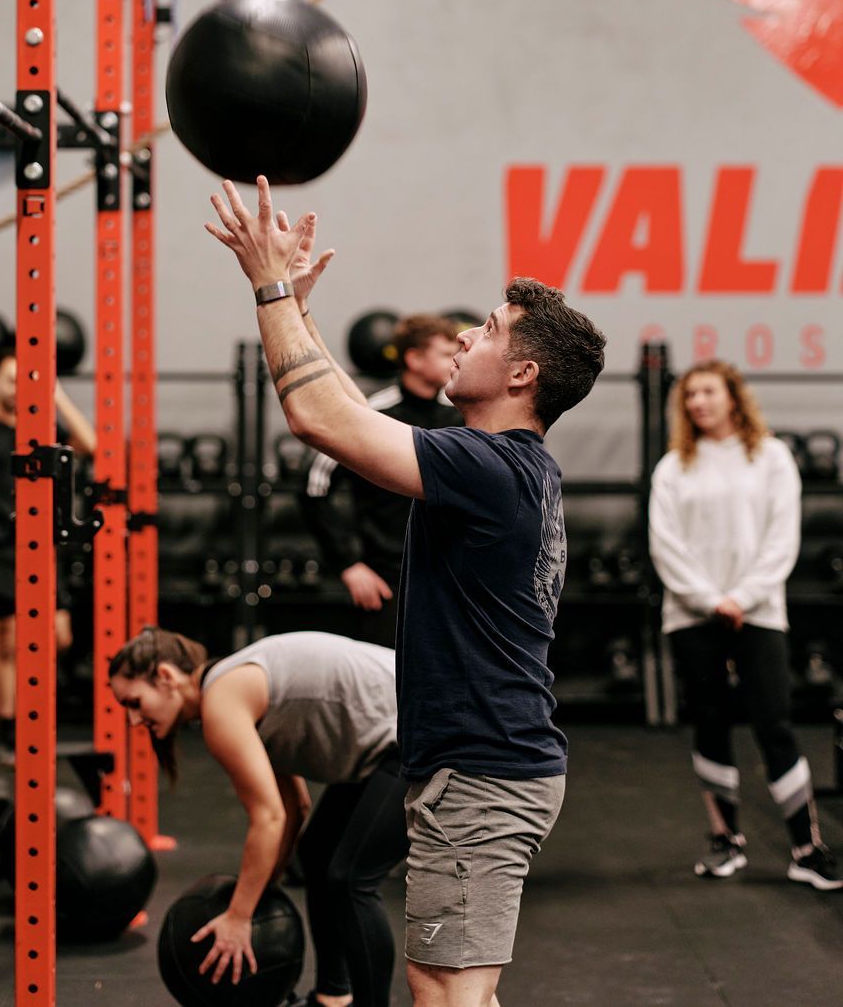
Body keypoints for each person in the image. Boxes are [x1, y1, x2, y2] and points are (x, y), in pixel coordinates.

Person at [205, 177, 607, 1007]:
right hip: (486, 762)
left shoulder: (489, 469)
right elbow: (354, 420)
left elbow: (320, 419)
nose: (466, 332)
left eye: (489, 329)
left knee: (444, 991)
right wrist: (301, 316)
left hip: (484, 769)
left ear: (523, 372)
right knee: (461, 988)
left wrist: (269, 285)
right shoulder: (496, 466)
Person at [110, 626, 407, 1007]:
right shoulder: (233, 689)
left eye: (134, 702)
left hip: (419, 730)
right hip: (385, 744)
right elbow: (293, 808)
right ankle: (333, 997)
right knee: (317, 852)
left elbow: (268, 818)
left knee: (350, 879)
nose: (134, 721)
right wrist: (263, 891)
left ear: (165, 678)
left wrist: (240, 916)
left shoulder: (222, 700)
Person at [649, 359, 841, 892]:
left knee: (774, 724)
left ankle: (806, 848)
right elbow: (666, 546)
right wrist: (711, 600)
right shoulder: (673, 467)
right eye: (689, 396)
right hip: (692, 613)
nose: (697, 403)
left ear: (734, 396)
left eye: (708, 392)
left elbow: (783, 538)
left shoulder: (772, 458)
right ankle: (725, 843)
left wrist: (743, 596)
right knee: (710, 723)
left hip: (759, 611)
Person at [303, 313, 460, 647]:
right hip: (389, 582)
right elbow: (314, 485)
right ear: (414, 359)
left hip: (451, 580)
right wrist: (348, 564)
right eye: (446, 354)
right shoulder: (373, 414)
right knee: (384, 688)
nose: (456, 360)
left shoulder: (461, 416)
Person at [0, 349, 95, 765]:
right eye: (10, 380)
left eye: (24, 381)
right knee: (8, 640)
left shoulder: (42, 431)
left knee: (58, 637)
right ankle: (8, 730)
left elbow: (90, 445)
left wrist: (56, 393)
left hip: (42, 547)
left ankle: (33, 715)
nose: (16, 388)